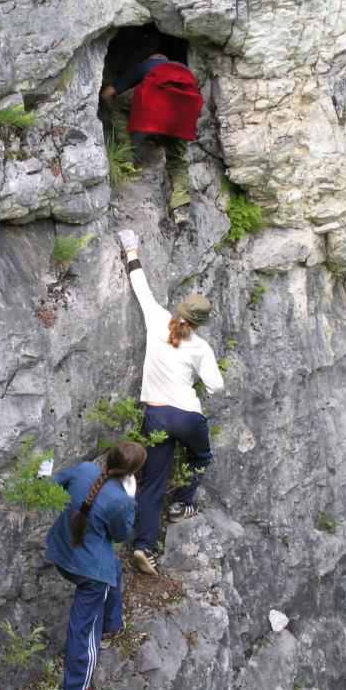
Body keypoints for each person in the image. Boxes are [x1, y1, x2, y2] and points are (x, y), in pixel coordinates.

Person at [117, 229, 224, 577]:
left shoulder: (157, 318)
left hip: (156, 415)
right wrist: (198, 375)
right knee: (202, 455)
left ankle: (143, 546)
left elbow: (140, 284)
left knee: (151, 482)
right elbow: (216, 386)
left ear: (180, 310)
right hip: (188, 416)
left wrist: (131, 246)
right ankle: (181, 504)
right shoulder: (201, 348)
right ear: (200, 323)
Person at [44, 443, 145, 690]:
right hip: (90, 572)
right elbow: (121, 535)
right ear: (132, 472)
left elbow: (54, 484)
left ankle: (112, 626)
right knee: (84, 628)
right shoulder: (122, 501)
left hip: (61, 551)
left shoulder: (86, 469)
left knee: (115, 569)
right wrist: (129, 500)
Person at [100, 53, 204, 225]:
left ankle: (127, 159)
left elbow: (107, 94)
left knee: (119, 105)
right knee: (176, 159)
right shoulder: (184, 71)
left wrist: (132, 114)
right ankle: (181, 209)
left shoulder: (146, 66)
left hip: (156, 94)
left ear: (152, 60)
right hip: (187, 106)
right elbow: (171, 108)